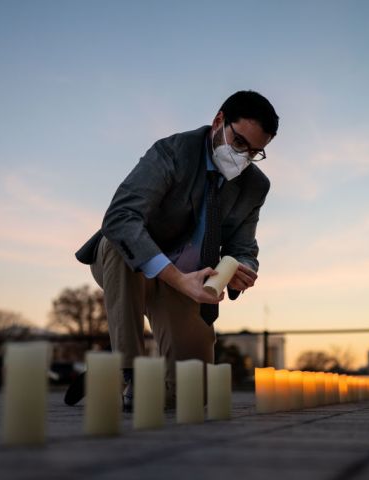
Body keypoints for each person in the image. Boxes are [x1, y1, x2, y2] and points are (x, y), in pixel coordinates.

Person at [67, 90, 279, 410]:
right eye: (238, 144)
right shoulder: (173, 151)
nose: (243, 157)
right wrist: (177, 278)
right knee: (117, 241)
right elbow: (120, 218)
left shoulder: (255, 186)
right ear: (218, 121)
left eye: (254, 152)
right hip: (132, 265)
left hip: (188, 282)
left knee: (193, 393)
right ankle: (128, 369)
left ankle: (110, 374)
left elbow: (243, 246)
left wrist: (239, 269)